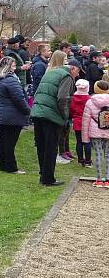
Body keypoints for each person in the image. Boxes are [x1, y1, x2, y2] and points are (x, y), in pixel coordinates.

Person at [30, 56, 80, 186]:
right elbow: (63, 98)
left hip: (38, 111)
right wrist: (65, 115)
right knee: (51, 147)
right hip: (51, 115)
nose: (78, 75)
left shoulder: (51, 72)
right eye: (78, 71)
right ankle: (48, 178)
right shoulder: (66, 76)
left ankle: (43, 174)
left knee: (41, 145)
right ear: (72, 68)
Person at [0, 56, 30, 174]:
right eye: (13, 66)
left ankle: (4, 165)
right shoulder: (11, 80)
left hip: (1, 114)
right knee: (10, 143)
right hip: (12, 115)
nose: (15, 68)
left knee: (4, 140)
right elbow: (19, 99)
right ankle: (11, 167)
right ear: (8, 67)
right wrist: (28, 111)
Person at [81, 80, 109, 188]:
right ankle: (107, 179)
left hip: (95, 132)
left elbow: (85, 121)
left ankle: (98, 179)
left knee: (97, 154)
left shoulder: (90, 102)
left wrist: (85, 138)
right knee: (108, 155)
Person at [70, 79, 92, 167]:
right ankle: (88, 160)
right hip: (86, 122)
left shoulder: (73, 98)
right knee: (86, 142)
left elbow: (71, 110)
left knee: (79, 141)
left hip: (77, 121)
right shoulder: (88, 99)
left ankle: (80, 159)